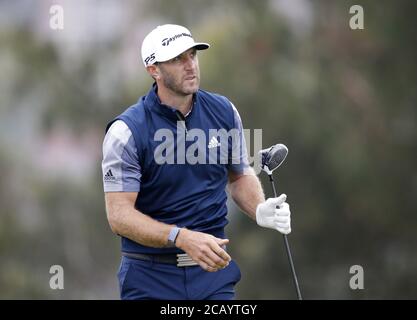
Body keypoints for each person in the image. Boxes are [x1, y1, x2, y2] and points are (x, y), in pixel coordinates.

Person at [102, 24, 291, 300]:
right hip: (149, 278)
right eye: (178, 59)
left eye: (193, 55)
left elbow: (239, 175)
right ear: (154, 70)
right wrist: (181, 237)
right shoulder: (126, 132)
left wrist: (260, 209)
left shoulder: (224, 112)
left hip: (213, 277)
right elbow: (119, 216)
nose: (190, 66)